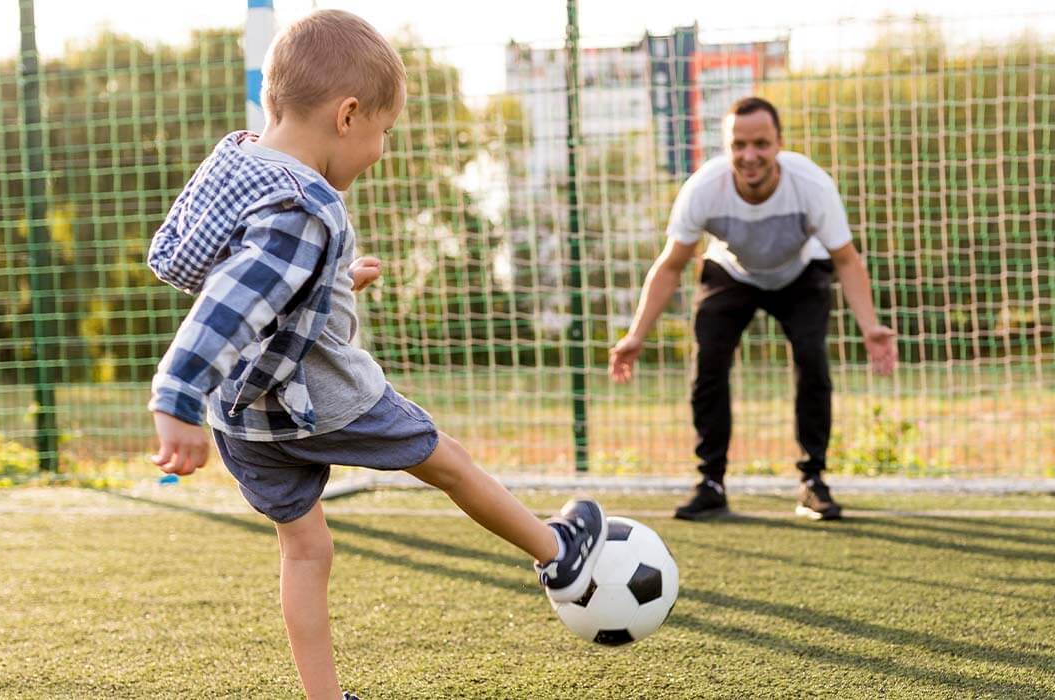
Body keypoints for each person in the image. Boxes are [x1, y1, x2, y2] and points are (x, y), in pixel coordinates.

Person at [145, 11, 605, 699]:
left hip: (244, 423)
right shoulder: (302, 207)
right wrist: (175, 396)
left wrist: (329, 277)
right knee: (446, 460)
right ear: (348, 115)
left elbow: (209, 262)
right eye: (384, 132)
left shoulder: (237, 165)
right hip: (319, 398)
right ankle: (558, 554)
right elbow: (230, 303)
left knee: (305, 550)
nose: (381, 149)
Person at [609, 96, 897, 522]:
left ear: (779, 143)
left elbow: (846, 259)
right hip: (732, 271)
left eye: (760, 144)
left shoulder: (811, 185)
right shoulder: (704, 189)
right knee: (708, 364)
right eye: (738, 145)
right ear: (726, 146)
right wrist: (636, 334)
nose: (749, 156)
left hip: (800, 271)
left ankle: (813, 481)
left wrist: (870, 326)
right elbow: (670, 266)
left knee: (812, 360)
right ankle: (711, 483)